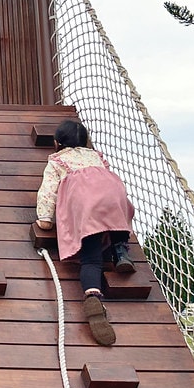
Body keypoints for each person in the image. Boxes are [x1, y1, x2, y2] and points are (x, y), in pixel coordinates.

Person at [35, 119, 135, 346]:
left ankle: (92, 295)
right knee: (116, 221)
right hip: (114, 195)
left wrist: (45, 219)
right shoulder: (97, 157)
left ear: (57, 143)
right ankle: (121, 250)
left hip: (87, 206)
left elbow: (48, 192)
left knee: (91, 259)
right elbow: (106, 185)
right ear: (86, 142)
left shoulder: (57, 161)